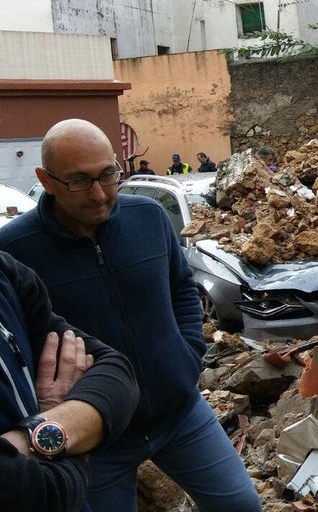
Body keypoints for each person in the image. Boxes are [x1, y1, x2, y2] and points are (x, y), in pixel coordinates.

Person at [0, 119, 261, 512]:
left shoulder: (150, 218)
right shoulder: (16, 250)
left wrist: (186, 358)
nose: (99, 193)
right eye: (79, 180)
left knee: (242, 506)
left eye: (108, 175)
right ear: (46, 180)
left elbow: (182, 291)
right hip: (96, 439)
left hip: (179, 413)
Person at [1, 251, 139, 512]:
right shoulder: (21, 242)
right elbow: (32, 494)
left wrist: (42, 430)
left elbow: (113, 369)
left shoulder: (6, 273)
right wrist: (72, 442)